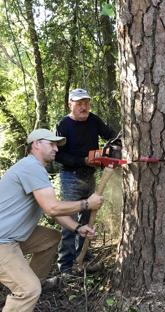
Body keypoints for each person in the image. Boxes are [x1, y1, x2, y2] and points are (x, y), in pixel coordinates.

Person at [0, 129, 104, 312]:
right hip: (3, 242)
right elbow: (53, 207)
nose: (56, 149)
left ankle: (35, 279)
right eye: (52, 144)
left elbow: (53, 212)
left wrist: (78, 228)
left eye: (57, 145)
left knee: (51, 238)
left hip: (11, 237)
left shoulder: (34, 168)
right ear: (36, 144)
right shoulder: (31, 167)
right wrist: (87, 203)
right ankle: (30, 287)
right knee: (28, 291)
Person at [55, 88, 119, 275]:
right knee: (69, 220)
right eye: (79, 103)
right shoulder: (63, 125)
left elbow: (109, 133)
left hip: (90, 176)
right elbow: (58, 155)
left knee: (88, 218)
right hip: (70, 177)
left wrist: (120, 140)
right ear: (70, 105)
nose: (84, 107)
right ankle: (66, 265)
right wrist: (81, 161)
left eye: (86, 103)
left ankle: (82, 253)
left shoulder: (93, 119)